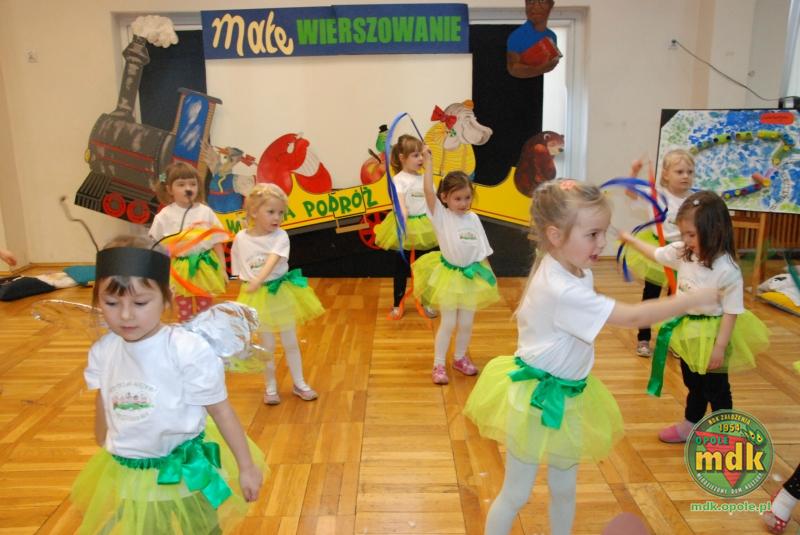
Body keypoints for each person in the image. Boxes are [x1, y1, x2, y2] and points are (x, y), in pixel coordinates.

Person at [463, 179, 720, 535]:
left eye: (604, 232)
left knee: (564, 489)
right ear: (555, 235)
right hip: (537, 402)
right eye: (593, 234)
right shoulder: (561, 287)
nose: (602, 243)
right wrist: (691, 299)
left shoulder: (572, 267)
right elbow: (631, 317)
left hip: (569, 395)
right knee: (516, 493)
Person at [71, 235, 264, 534]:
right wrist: (103, 440)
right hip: (132, 469)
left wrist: (246, 466)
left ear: (166, 297)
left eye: (140, 302)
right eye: (111, 303)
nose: (125, 315)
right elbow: (104, 396)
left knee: (201, 528)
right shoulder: (103, 351)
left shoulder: (187, 349)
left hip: (186, 468)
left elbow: (221, 410)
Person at [621, 190, 769, 443]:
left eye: (691, 234)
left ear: (713, 231)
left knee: (717, 389)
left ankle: (725, 433)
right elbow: (657, 254)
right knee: (693, 383)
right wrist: (632, 241)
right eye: (683, 234)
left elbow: (732, 311)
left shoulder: (727, 269)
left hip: (714, 336)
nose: (685, 240)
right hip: (687, 331)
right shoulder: (683, 252)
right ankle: (691, 423)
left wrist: (719, 347)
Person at [412, 148, 500, 384]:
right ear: (445, 198)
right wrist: (428, 162)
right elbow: (428, 191)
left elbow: (482, 249)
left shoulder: (474, 218)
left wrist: (489, 273)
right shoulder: (440, 216)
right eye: (457, 198)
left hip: (471, 277)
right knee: (449, 322)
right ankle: (438, 364)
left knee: (466, 322)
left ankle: (460, 358)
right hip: (449, 278)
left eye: (467, 198)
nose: (463, 203)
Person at [231, 183, 324, 404]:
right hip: (257, 297)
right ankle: (270, 387)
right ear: (254, 212)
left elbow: (273, 260)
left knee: (290, 341)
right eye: (271, 212)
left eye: (281, 213)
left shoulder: (281, 236)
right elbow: (238, 263)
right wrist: (244, 282)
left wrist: (258, 280)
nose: (277, 218)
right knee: (268, 345)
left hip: (279, 292)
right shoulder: (241, 238)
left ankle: (299, 383)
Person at [626, 149, 696, 357]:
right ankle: (644, 338)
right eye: (679, 172)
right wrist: (634, 171)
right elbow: (630, 192)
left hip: (683, 254)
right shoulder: (656, 195)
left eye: (690, 172)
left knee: (678, 298)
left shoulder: (695, 199)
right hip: (658, 251)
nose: (685, 176)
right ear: (666, 174)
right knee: (651, 295)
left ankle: (672, 339)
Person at [149, 161, 228, 321]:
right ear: (169, 189)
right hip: (179, 269)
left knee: (205, 310)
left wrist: (223, 268)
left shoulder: (205, 212)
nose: (188, 188)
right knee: (184, 311)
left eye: (193, 184)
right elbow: (156, 246)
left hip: (205, 265)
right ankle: (186, 333)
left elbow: (216, 241)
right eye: (181, 184)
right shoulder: (164, 216)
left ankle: (204, 333)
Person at [373, 134, 438, 320]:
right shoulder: (399, 180)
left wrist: (429, 163)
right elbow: (400, 204)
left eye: (421, 155)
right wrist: (402, 216)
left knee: (425, 267)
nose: (420, 159)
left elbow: (432, 199)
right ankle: (397, 304)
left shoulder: (425, 178)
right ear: (402, 158)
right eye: (415, 155)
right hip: (405, 226)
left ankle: (427, 302)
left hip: (425, 228)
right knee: (401, 268)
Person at [507, 0, 560, 79]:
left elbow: (552, 62)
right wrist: (541, 68)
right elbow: (514, 70)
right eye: (531, 1)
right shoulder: (517, 36)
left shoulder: (551, 36)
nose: (536, 6)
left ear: (551, 5)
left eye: (542, 1)